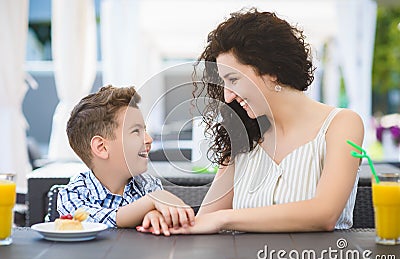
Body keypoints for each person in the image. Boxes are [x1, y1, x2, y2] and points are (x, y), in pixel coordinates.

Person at [138, 8, 364, 235]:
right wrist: (164, 216)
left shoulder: (341, 124)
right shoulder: (243, 137)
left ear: (272, 70)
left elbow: (324, 215)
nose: (227, 96)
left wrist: (225, 219)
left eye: (233, 79)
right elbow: (205, 219)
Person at [58, 85, 195, 235]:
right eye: (136, 131)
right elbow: (92, 221)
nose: (149, 139)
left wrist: (153, 215)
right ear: (102, 147)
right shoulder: (73, 194)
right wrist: (150, 201)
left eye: (145, 130)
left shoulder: (148, 185)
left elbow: (158, 219)